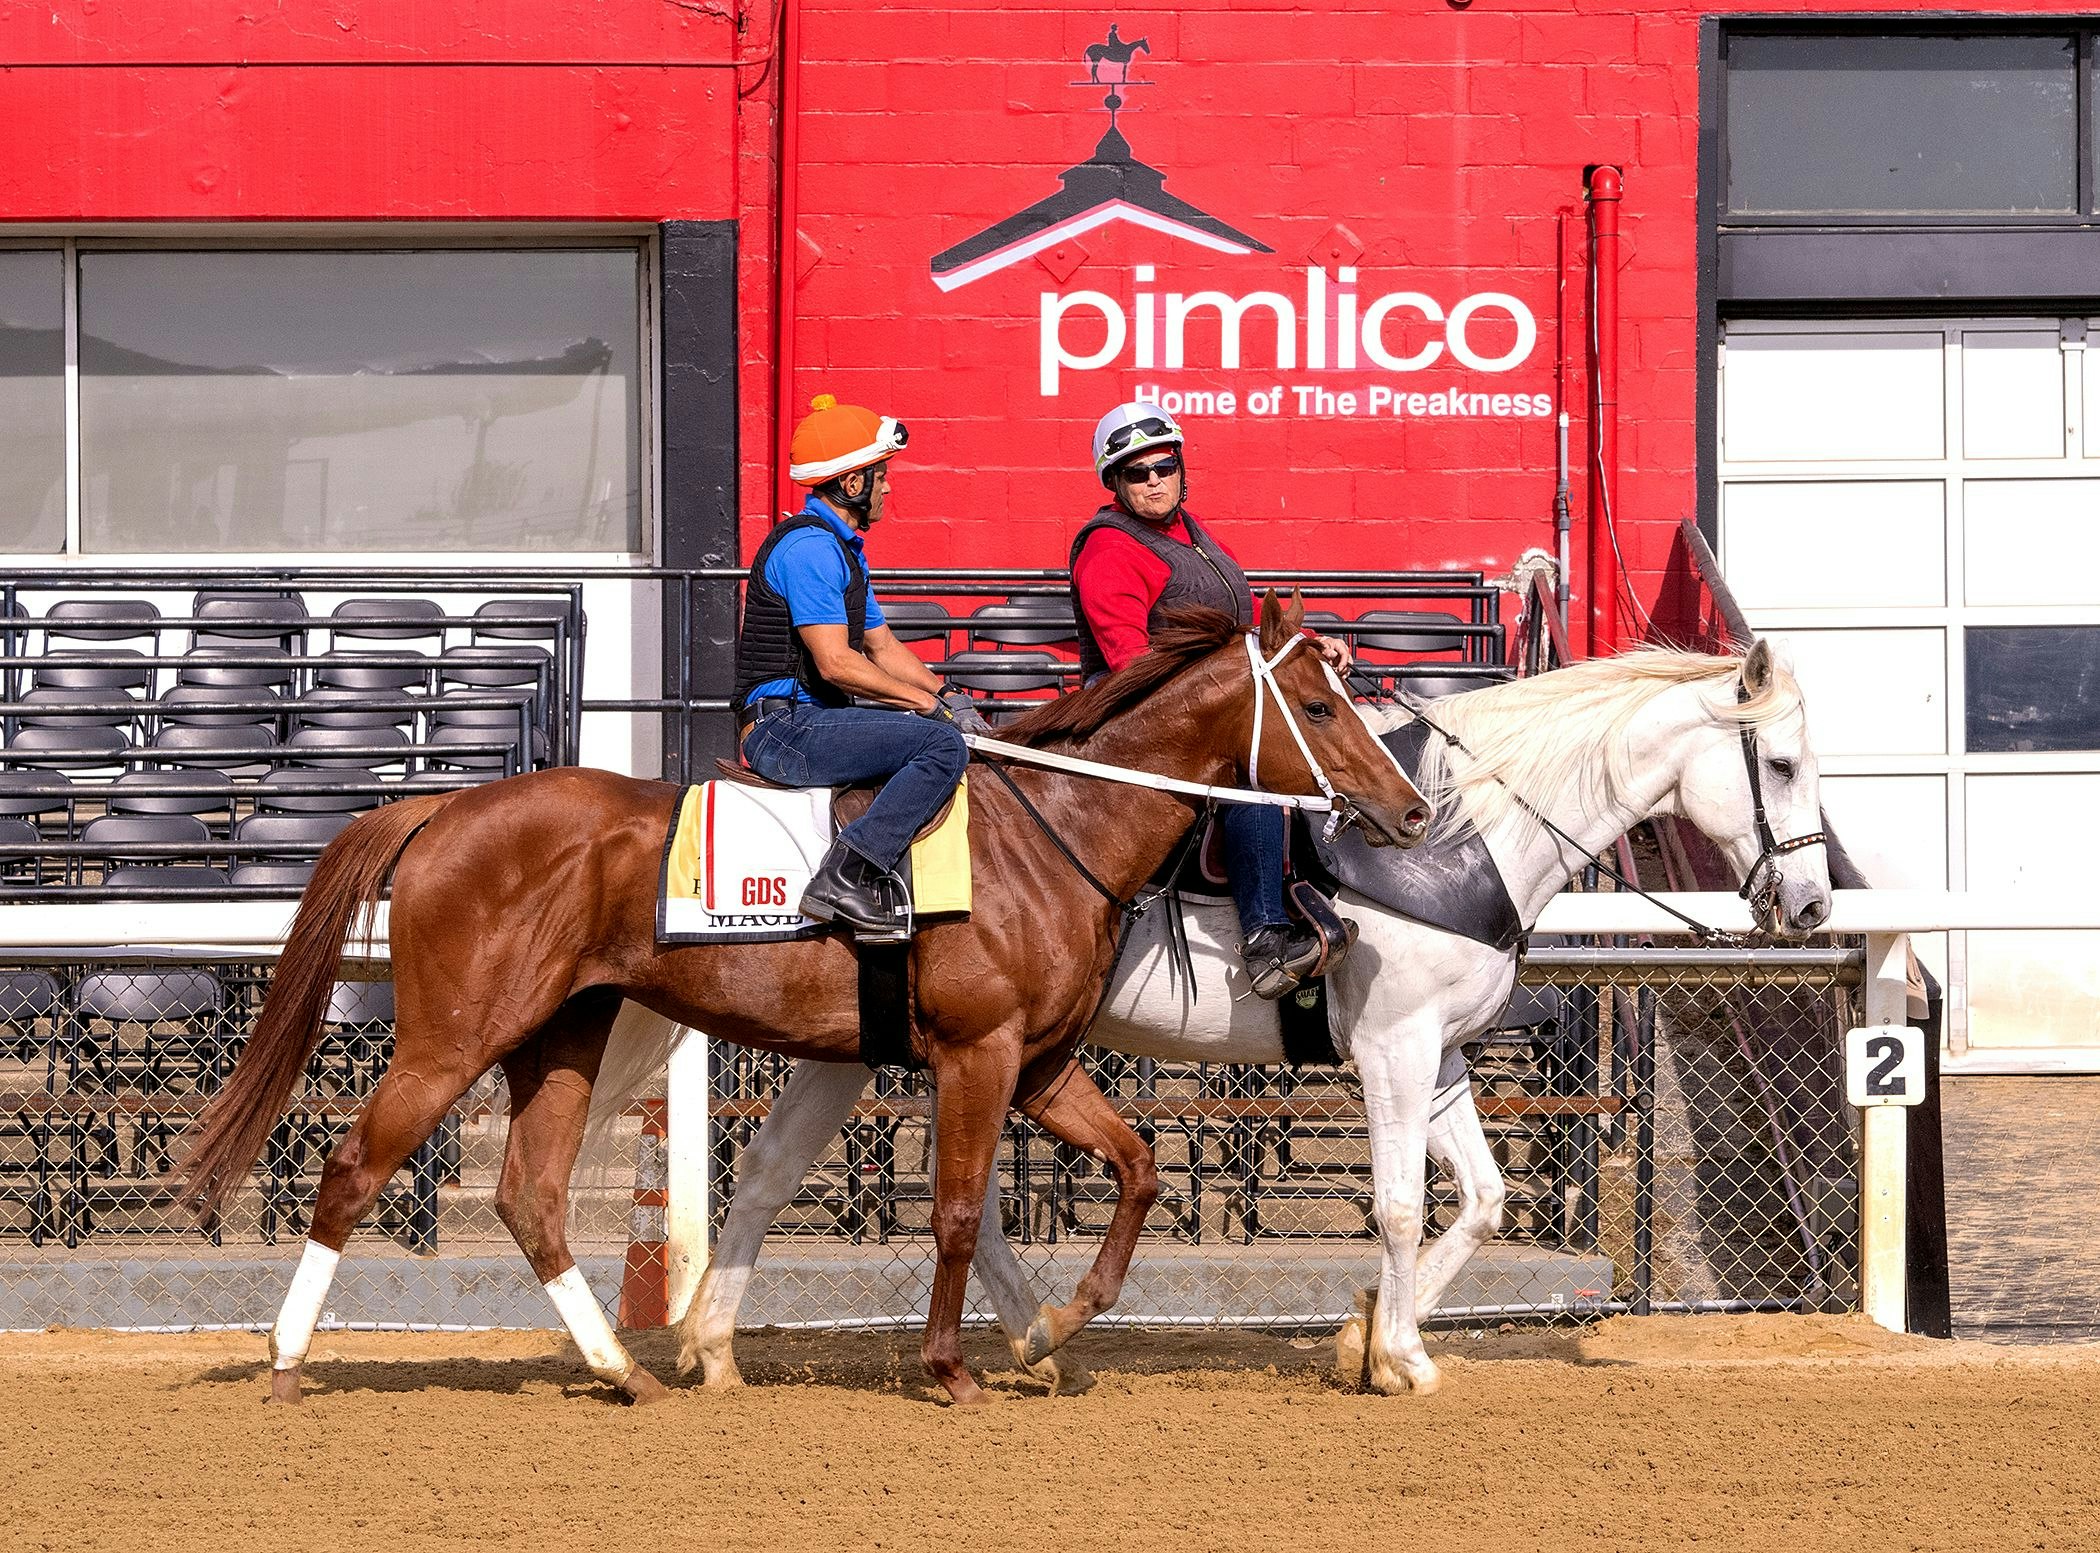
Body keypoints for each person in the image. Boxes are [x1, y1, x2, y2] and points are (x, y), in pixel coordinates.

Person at [1069, 401, 1357, 998]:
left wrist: (1307, 644)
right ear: (1113, 483)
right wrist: (1218, 697)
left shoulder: (1192, 534)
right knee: (1248, 777)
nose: (1153, 481)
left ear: (1180, 467)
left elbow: (1244, 620)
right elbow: (1130, 663)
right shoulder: (1109, 549)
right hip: (1136, 715)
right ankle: (1266, 939)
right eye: (1136, 473)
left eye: (1163, 466)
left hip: (1206, 702)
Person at [733, 393, 973, 936]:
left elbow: (883, 648)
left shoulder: (843, 549)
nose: (889, 487)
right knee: (940, 746)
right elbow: (837, 664)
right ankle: (849, 874)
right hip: (784, 728)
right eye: (880, 475)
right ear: (851, 484)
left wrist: (948, 693)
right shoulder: (811, 550)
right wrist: (929, 710)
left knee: (942, 729)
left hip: (807, 721)